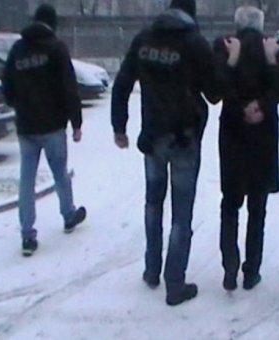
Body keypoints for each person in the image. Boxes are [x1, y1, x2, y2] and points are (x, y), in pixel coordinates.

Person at [111, 0, 223, 306]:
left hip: (152, 136)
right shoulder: (194, 43)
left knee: (153, 204)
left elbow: (122, 83)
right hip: (184, 137)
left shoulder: (144, 39)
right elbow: (215, 94)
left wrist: (119, 127)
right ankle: (175, 283)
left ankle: (151, 269)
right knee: (181, 213)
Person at [212, 6, 279, 291]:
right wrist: (262, 105)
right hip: (264, 135)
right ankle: (251, 270)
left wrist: (239, 103)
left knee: (230, 204)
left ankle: (229, 267)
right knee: (257, 208)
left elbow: (215, 88)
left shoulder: (225, 46)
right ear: (261, 25)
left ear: (236, 25)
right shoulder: (273, 47)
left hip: (233, 132)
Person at [2, 4, 87, 257]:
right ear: (53, 23)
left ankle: (28, 235)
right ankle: (68, 214)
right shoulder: (56, 48)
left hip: (26, 126)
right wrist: (76, 122)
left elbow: (6, 84)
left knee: (27, 179)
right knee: (59, 171)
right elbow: (69, 86)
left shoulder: (18, 49)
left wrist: (17, 104)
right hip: (52, 125)